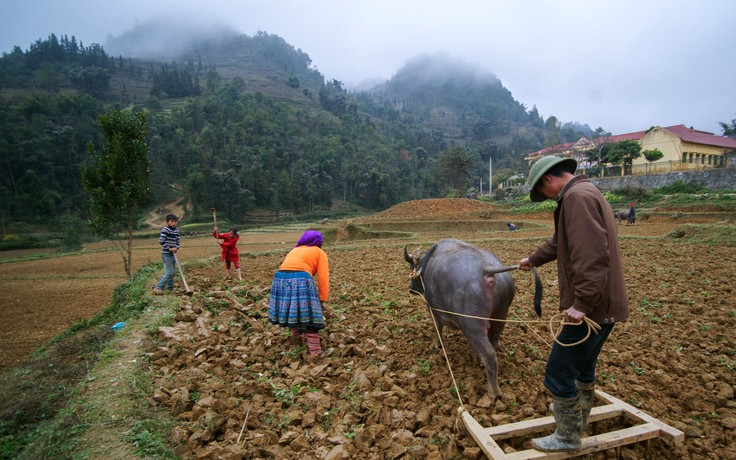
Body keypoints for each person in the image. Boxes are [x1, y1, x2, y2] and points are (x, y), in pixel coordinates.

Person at [518, 156, 629, 452]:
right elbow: (561, 242)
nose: (545, 196)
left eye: (543, 192)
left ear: (547, 180)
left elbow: (592, 255)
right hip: (604, 306)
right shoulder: (585, 192)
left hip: (592, 308)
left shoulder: (576, 199)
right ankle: (578, 420)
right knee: (582, 367)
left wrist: (581, 304)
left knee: (558, 372)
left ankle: (567, 436)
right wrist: (533, 259)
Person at [268, 230, 333, 357]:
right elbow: (323, 278)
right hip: (300, 278)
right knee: (310, 315)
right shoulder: (319, 252)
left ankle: (297, 340)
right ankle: (316, 352)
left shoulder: (295, 250)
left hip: (280, 278)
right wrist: (322, 299)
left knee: (294, 310)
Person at [153, 214, 180, 295]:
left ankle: (170, 288)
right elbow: (161, 240)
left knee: (173, 272)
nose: (174, 223)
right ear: (167, 222)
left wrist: (176, 248)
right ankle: (158, 287)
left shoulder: (176, 230)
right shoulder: (165, 230)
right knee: (169, 273)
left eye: (175, 222)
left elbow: (178, 241)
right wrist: (169, 248)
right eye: (172, 221)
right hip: (166, 254)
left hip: (173, 253)